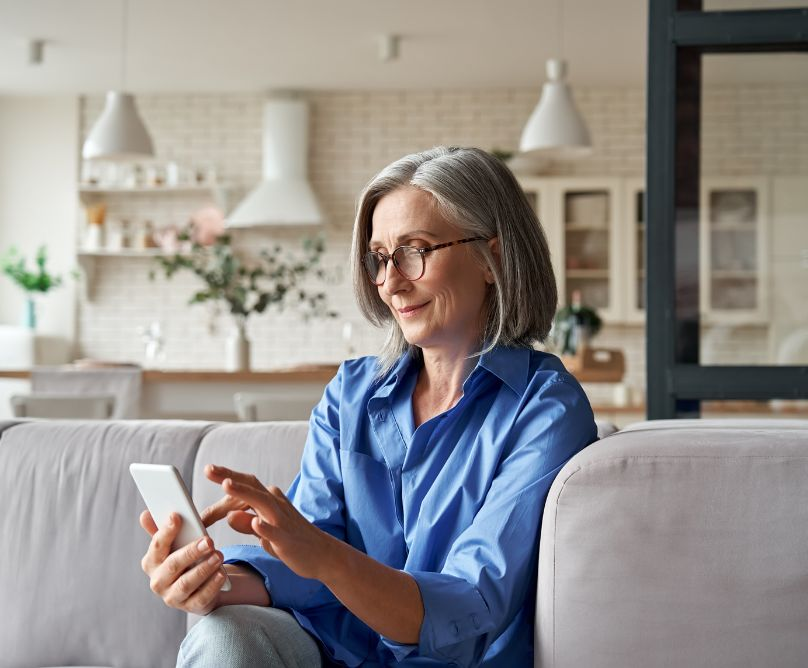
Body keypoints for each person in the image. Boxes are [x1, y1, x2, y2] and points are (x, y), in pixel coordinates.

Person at [139, 146, 597, 667]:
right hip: (336, 654)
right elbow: (307, 564)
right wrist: (210, 581)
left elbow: (471, 606)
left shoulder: (544, 408)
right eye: (380, 257)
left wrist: (323, 557)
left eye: (414, 250)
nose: (390, 282)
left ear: (491, 258)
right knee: (223, 633)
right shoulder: (351, 392)